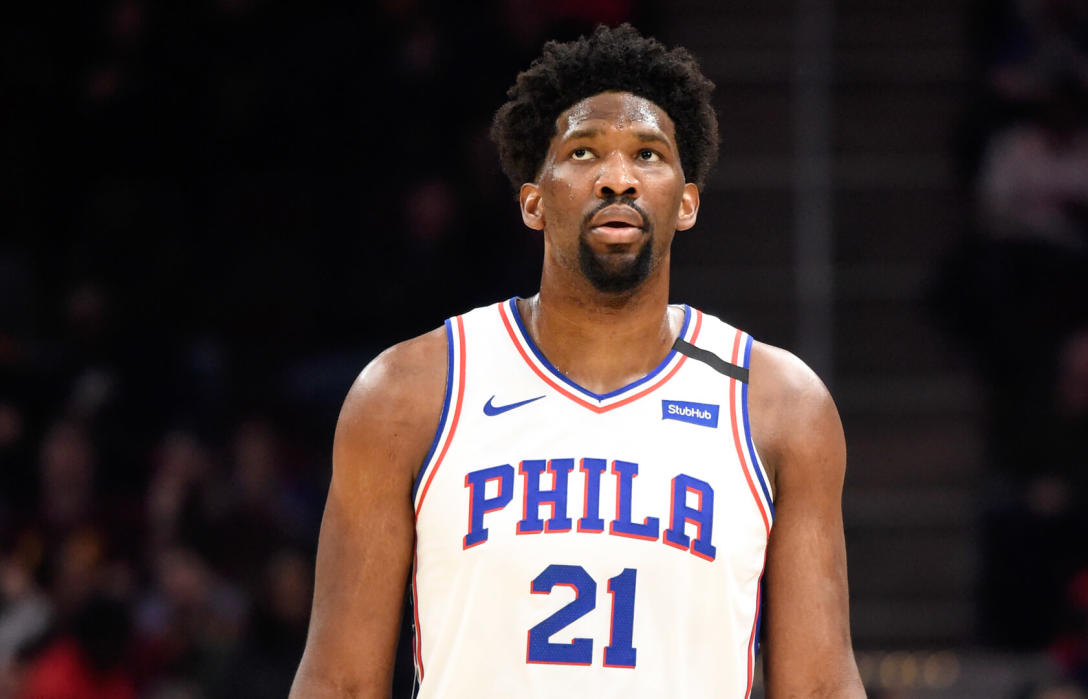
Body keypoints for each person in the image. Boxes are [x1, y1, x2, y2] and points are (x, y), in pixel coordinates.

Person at [291, 24, 863, 698]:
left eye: (648, 154)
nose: (617, 177)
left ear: (686, 202)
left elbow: (820, 686)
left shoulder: (779, 404)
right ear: (534, 200)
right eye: (584, 152)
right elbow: (340, 682)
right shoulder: (407, 393)